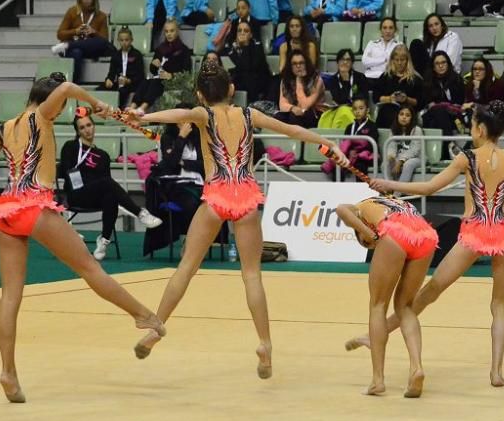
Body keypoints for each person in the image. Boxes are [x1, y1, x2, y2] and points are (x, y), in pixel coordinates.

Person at [0, 74, 166, 403]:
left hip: (7, 211)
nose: (59, 113)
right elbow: (67, 88)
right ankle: (142, 315)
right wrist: (96, 102)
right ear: (49, 103)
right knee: (90, 269)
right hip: (34, 206)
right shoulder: (42, 115)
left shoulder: (5, 127)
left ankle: (8, 372)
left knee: (10, 296)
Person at [127, 61, 348, 377]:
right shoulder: (249, 115)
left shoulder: (204, 115)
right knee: (252, 275)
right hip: (245, 197)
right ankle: (265, 344)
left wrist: (144, 116)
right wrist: (326, 143)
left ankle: (155, 328)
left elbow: (179, 115)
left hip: (216, 195)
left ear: (201, 95)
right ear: (231, 89)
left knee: (187, 268)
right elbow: (292, 130)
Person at [357, 102, 504, 387]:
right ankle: (496, 372)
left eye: (471, 126)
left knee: (431, 290)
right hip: (503, 233)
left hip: (474, 232)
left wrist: (389, 184)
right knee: (500, 305)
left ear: (480, 129)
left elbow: (430, 187)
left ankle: (380, 334)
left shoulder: (467, 158)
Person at [336, 196, 438, 396]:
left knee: (378, 306)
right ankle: (416, 367)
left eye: (366, 244)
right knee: (405, 307)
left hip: (395, 232)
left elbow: (341, 209)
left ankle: (377, 380)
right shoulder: (387, 202)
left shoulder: (359, 208)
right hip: (426, 235)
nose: (371, 246)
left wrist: (370, 235)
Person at [60, 108, 162, 260]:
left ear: (94, 126)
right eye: (82, 127)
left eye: (89, 125)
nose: (87, 130)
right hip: (75, 194)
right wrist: (81, 184)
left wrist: (97, 186)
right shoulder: (71, 147)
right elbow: (66, 171)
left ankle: (103, 241)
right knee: (107, 184)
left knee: (111, 196)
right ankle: (140, 213)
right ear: (78, 131)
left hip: (94, 196)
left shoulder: (103, 155)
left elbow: (106, 185)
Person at [51, 0, 111, 82]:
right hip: (73, 50)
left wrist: (93, 32)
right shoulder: (72, 12)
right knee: (77, 52)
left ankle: (68, 45)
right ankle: (75, 83)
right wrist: (76, 31)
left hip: (90, 49)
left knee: (102, 42)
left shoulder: (101, 16)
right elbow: (60, 34)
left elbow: (105, 40)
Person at [129, 21, 193, 112]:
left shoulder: (184, 50)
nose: (169, 34)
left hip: (175, 81)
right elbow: (153, 71)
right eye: (166, 31)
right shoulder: (160, 49)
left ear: (177, 32)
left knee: (157, 81)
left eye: (172, 31)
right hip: (160, 78)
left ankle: (143, 107)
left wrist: (171, 75)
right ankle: (132, 106)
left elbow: (187, 72)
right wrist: (153, 65)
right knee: (146, 80)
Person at [421, 52, 466, 160]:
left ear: (448, 64)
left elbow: (459, 102)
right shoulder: (427, 81)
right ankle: (450, 144)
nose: (440, 66)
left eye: (443, 62)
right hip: (431, 114)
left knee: (437, 120)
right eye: (437, 63)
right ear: (433, 66)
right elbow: (426, 103)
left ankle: (440, 156)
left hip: (453, 115)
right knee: (439, 111)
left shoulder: (457, 80)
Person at [322, 96, 378, 180]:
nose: (358, 111)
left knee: (360, 165)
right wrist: (350, 152)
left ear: (368, 110)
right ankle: (339, 189)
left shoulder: (372, 126)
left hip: (364, 156)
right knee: (338, 164)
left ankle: (361, 190)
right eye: (355, 109)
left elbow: (371, 144)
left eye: (361, 108)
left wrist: (356, 152)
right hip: (349, 155)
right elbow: (345, 144)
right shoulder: (349, 127)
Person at [371, 44, 423, 127]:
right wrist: (390, 98)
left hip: (408, 111)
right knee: (387, 113)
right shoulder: (385, 77)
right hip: (388, 109)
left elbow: (420, 102)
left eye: (402, 60)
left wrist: (406, 99)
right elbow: (376, 97)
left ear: (407, 60)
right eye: (396, 60)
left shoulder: (415, 79)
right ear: (392, 60)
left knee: (402, 115)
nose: (399, 63)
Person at [276, 50, 325, 127]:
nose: (298, 66)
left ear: (306, 64)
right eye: (294, 64)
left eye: (301, 63)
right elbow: (282, 104)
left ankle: (297, 138)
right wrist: (292, 108)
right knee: (278, 117)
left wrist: (299, 80)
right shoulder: (286, 80)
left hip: (314, 114)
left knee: (295, 117)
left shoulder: (316, 80)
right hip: (294, 111)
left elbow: (304, 105)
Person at [229, 21, 273, 102]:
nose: (242, 33)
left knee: (248, 77)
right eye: (239, 30)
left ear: (251, 35)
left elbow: (250, 68)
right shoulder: (231, 49)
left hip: (258, 82)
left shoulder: (257, 46)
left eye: (246, 31)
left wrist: (245, 45)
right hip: (240, 81)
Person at [101, 28, 145, 108]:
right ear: (118, 40)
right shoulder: (116, 55)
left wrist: (129, 80)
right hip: (120, 82)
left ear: (131, 40)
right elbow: (112, 72)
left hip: (133, 83)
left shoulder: (137, 55)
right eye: (121, 40)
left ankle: (119, 109)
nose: (124, 43)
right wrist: (109, 80)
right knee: (100, 88)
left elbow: (140, 75)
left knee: (123, 90)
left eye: (126, 40)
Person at [384, 106, 424, 182]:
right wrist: (391, 157)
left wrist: (400, 161)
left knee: (408, 164)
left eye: (407, 115)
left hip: (417, 158)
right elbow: (391, 146)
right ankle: (389, 189)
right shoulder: (393, 129)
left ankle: (397, 193)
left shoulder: (417, 130)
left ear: (412, 118)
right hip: (399, 157)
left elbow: (414, 150)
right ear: (397, 116)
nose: (404, 117)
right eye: (401, 114)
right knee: (385, 164)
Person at [362, 17, 401, 81]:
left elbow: (398, 65)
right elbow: (365, 61)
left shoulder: (399, 45)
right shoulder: (372, 44)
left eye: (391, 28)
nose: (388, 31)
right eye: (384, 28)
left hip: (391, 79)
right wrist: (384, 60)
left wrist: (373, 63)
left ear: (395, 30)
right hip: (370, 78)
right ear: (381, 30)